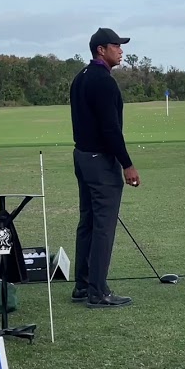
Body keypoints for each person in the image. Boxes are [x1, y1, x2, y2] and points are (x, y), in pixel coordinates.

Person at [68, 27, 138, 309]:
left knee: (87, 222)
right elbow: (110, 129)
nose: (121, 50)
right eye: (116, 45)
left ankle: (83, 285)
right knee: (103, 227)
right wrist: (127, 164)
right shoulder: (103, 81)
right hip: (100, 161)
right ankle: (98, 291)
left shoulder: (81, 77)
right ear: (101, 49)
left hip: (82, 157)